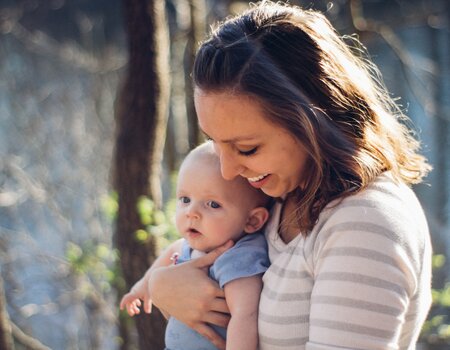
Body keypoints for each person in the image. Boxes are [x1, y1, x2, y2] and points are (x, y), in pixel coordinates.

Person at [145, 1, 433, 349]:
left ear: (313, 122)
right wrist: (163, 285)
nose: (227, 170)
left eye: (247, 148)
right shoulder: (280, 195)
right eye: (215, 143)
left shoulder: (363, 223)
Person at [120, 142, 271, 350]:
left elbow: (245, 316)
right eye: (185, 199)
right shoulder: (189, 245)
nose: (192, 212)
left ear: (252, 221)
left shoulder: (238, 257)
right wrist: (141, 288)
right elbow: (171, 251)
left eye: (213, 204)